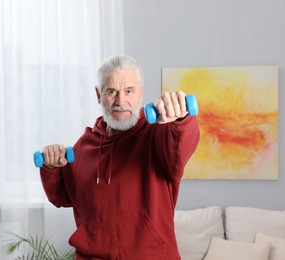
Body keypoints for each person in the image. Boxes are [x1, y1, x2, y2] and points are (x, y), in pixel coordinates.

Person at [39, 55, 200, 259]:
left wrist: (180, 119)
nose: (120, 101)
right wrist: (51, 167)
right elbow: (62, 196)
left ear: (140, 94)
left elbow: (179, 149)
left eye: (129, 91)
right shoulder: (84, 145)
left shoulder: (156, 134)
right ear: (99, 94)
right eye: (111, 91)